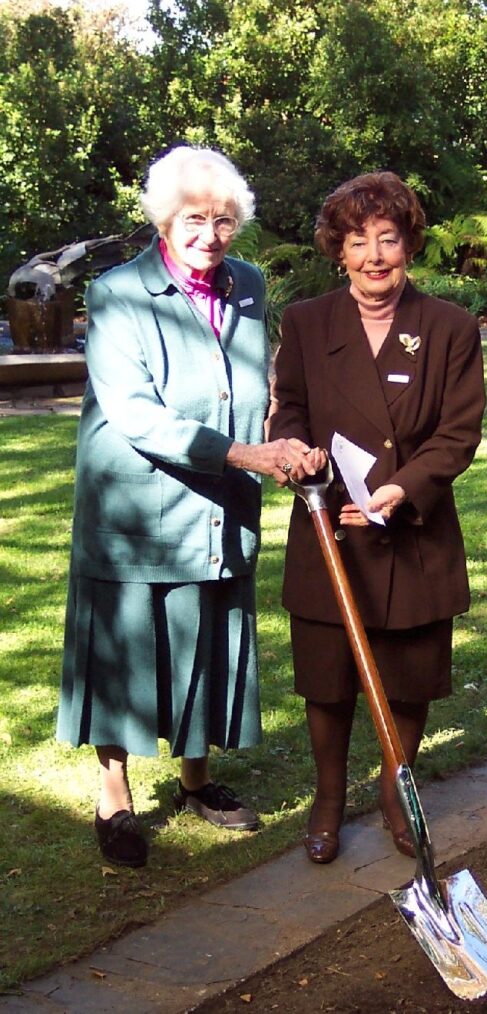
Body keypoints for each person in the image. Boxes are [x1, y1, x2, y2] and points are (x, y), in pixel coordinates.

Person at [57, 145, 320, 868]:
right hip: (136, 506)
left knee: (207, 634)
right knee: (130, 648)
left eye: (226, 221)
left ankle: (198, 782)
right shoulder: (116, 294)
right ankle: (115, 794)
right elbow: (137, 415)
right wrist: (247, 456)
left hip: (218, 500)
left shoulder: (248, 285)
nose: (210, 235)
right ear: (165, 221)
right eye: (195, 220)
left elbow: (248, 386)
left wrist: (279, 439)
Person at [269, 170, 486, 863]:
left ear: (409, 246)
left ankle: (396, 791)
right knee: (328, 682)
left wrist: (403, 489)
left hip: (412, 535)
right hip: (331, 529)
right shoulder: (306, 323)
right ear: (338, 251)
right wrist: (297, 450)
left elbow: (459, 433)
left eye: (388, 239)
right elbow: (291, 407)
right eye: (358, 241)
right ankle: (328, 799)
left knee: (409, 677)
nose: (374, 256)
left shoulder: (450, 327)